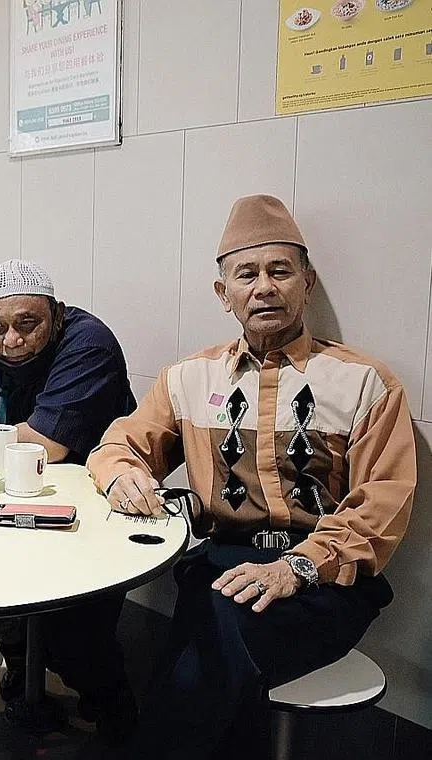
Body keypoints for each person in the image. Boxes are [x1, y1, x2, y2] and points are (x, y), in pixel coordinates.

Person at [87, 194, 415, 760]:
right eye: (247, 274)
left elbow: (381, 505)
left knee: (211, 640)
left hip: (322, 582)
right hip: (222, 564)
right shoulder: (188, 379)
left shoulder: (364, 382)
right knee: (212, 630)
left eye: (280, 271)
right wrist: (120, 475)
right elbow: (120, 445)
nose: (264, 287)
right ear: (224, 294)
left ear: (307, 282)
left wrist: (297, 568)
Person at [0, 258, 140, 741]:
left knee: (78, 642)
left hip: (91, 512)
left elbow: (46, 445)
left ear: (57, 315)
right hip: (8, 505)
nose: (11, 340)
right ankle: (23, 666)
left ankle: (117, 714)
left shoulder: (88, 344)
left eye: (28, 324)